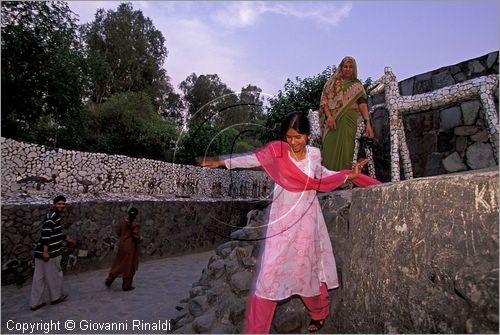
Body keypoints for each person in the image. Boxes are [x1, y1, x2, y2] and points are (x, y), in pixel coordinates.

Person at [199, 112, 380, 333]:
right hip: (281, 220)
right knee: (268, 275)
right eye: (289, 137)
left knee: (306, 271)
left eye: (298, 137)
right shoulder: (277, 152)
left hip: (306, 220)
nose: (293, 142)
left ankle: (319, 312)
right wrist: (221, 161)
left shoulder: (314, 154)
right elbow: (252, 158)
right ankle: (256, 330)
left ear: (307, 135)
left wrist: (346, 176)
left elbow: (321, 175)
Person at [319, 56, 375, 171]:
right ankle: (328, 180)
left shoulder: (357, 85)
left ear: (354, 69)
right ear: (341, 67)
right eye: (345, 66)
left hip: (349, 120)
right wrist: (329, 117)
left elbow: (362, 104)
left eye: (351, 67)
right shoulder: (332, 83)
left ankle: (343, 181)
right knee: (329, 149)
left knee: (346, 149)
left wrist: (367, 123)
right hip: (332, 121)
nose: (348, 69)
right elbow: (324, 101)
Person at [30, 195, 76, 311]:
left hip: (40, 252)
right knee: (55, 275)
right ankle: (56, 297)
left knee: (39, 278)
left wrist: (66, 238)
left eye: (63, 204)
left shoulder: (52, 216)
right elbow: (46, 234)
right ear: (54, 204)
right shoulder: (52, 217)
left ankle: (35, 302)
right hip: (50, 253)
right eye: (59, 204)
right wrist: (46, 252)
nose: (61, 206)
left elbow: (55, 232)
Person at [105, 207, 142, 291]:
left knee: (119, 262)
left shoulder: (122, 223)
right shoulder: (135, 225)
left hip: (122, 245)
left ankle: (111, 278)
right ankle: (126, 285)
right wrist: (140, 239)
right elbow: (135, 236)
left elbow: (119, 233)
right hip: (130, 246)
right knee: (129, 265)